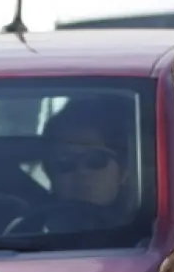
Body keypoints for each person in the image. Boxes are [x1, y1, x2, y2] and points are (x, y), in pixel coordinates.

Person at [18, 97, 139, 233]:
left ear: (124, 171)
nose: (81, 171)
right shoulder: (27, 230)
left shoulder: (152, 237)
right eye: (65, 161)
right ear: (50, 173)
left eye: (95, 160)